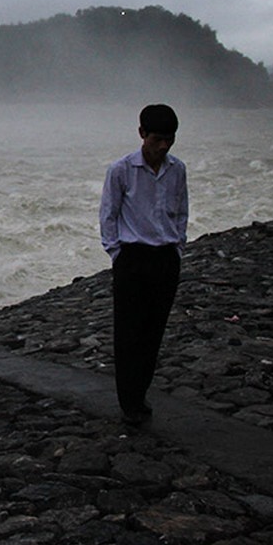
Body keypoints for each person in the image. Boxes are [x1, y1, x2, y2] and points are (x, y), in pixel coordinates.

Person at [99, 103, 188, 426]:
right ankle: (130, 400)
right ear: (142, 135)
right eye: (157, 139)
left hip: (165, 257)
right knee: (128, 332)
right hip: (132, 257)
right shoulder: (121, 170)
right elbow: (108, 214)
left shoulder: (177, 169)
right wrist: (116, 254)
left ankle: (141, 392)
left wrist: (178, 247)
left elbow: (181, 211)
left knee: (154, 331)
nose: (163, 146)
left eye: (169, 139)